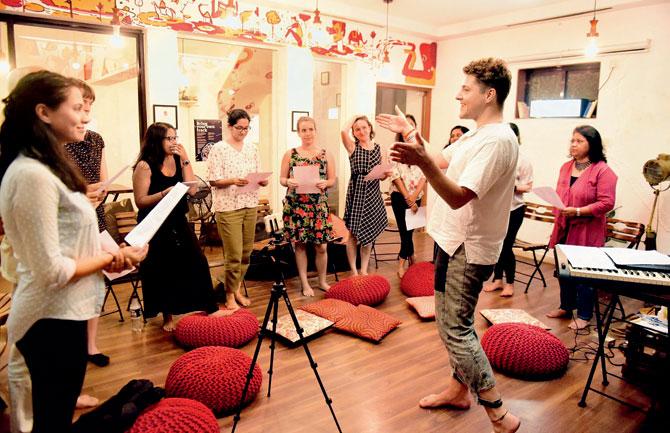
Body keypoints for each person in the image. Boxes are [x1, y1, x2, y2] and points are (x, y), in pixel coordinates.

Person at [377, 57, 521, 433]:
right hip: (449, 240)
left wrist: (422, 162)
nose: (458, 94)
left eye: (466, 88)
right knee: (451, 323)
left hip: (469, 248)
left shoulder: (499, 140)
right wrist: (411, 135)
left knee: (455, 329)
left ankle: (498, 413)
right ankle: (458, 391)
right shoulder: (473, 135)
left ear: (489, 95)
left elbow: (459, 196)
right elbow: (439, 160)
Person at [0, 70, 146, 433]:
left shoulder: (47, 168)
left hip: (64, 316)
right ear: (44, 112)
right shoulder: (30, 174)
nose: (86, 117)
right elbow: (51, 270)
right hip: (47, 321)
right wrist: (116, 257)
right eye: (77, 108)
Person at [133, 122, 224, 332]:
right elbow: (140, 201)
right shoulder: (145, 165)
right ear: (157, 140)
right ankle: (167, 316)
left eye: (175, 137)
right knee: (164, 268)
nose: (174, 142)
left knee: (198, 260)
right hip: (155, 222)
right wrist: (165, 193)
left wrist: (185, 159)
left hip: (177, 219)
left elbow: (192, 191)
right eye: (169, 138)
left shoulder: (177, 159)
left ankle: (210, 307)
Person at [546, 125, 617, 330]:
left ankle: (585, 315)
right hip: (564, 224)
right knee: (564, 270)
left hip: (587, 229)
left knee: (584, 273)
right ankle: (566, 306)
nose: (573, 144)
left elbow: (607, 203)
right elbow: (562, 192)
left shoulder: (603, 171)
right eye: (572, 140)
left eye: (579, 141)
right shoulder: (566, 167)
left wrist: (578, 211)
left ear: (592, 144)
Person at [64, 80, 111, 372]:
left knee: (96, 281)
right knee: (76, 280)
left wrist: (99, 191)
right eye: (80, 107)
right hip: (73, 214)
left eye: (88, 107)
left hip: (96, 211)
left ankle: (91, 344)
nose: (86, 114)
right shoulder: (58, 142)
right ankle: (74, 346)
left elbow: (104, 178)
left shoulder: (95, 138)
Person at [207, 109, 268, 311]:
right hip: (228, 206)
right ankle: (228, 294)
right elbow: (214, 180)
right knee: (233, 254)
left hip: (250, 203)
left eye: (246, 128)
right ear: (229, 126)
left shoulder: (252, 148)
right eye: (239, 128)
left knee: (245, 253)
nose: (243, 132)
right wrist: (233, 180)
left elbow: (257, 174)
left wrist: (262, 180)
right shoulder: (219, 148)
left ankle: (236, 289)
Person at [280, 116, 336, 296]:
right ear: (298, 133)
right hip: (297, 206)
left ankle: (321, 281)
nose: (308, 133)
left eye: (310, 129)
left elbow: (332, 179)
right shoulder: (291, 153)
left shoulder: (326, 154)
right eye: (304, 130)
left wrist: (325, 183)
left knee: (322, 246)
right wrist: (288, 181)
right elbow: (281, 179)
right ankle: (305, 283)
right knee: (301, 245)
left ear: (315, 130)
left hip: (318, 206)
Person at [483, 123, 533, 297]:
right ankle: (497, 280)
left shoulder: (523, 159)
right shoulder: (497, 157)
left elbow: (527, 186)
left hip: (515, 208)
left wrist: (511, 187)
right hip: (498, 208)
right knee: (496, 245)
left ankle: (510, 283)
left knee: (506, 246)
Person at [340, 115, 389, 275]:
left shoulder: (380, 148)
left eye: (364, 127)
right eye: (357, 129)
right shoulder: (353, 147)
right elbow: (342, 130)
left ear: (370, 128)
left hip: (373, 193)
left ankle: (364, 270)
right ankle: (354, 271)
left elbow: (383, 173)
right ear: (354, 132)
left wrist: (384, 174)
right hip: (357, 193)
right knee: (353, 234)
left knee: (369, 234)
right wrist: (354, 117)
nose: (361, 131)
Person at [389, 113, 426, 278]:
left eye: (410, 124)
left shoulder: (422, 149)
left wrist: (415, 196)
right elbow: (394, 175)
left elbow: (425, 174)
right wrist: (407, 198)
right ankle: (403, 262)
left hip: (417, 196)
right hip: (399, 196)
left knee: (411, 232)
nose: (407, 128)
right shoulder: (394, 149)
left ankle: (409, 257)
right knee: (404, 231)